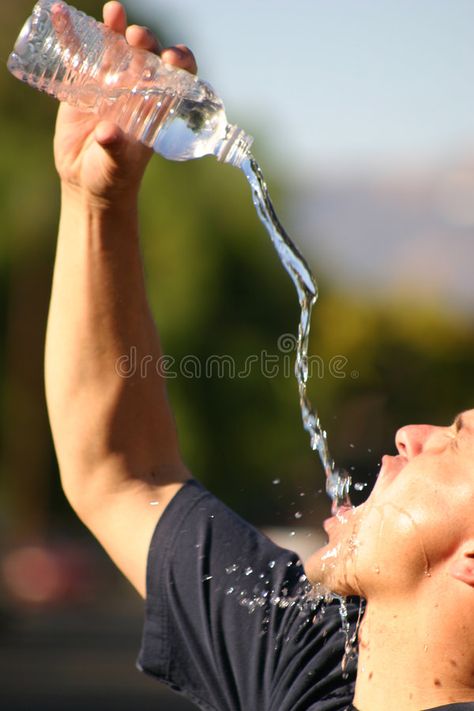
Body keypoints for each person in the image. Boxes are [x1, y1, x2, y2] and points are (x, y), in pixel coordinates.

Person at [44, 3, 474, 710]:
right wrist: (98, 203)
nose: (412, 434)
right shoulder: (308, 660)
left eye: (458, 440)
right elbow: (122, 474)